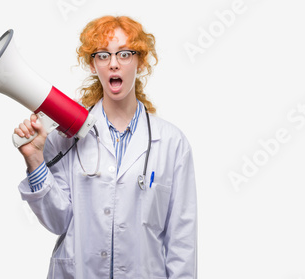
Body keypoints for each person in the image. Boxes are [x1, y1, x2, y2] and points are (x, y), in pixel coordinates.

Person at [15, 15, 197, 279]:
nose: (113, 64)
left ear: (140, 61)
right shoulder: (65, 137)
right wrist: (34, 160)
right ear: (92, 65)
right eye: (103, 55)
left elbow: (182, 239)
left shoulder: (172, 143)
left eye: (124, 54)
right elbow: (57, 221)